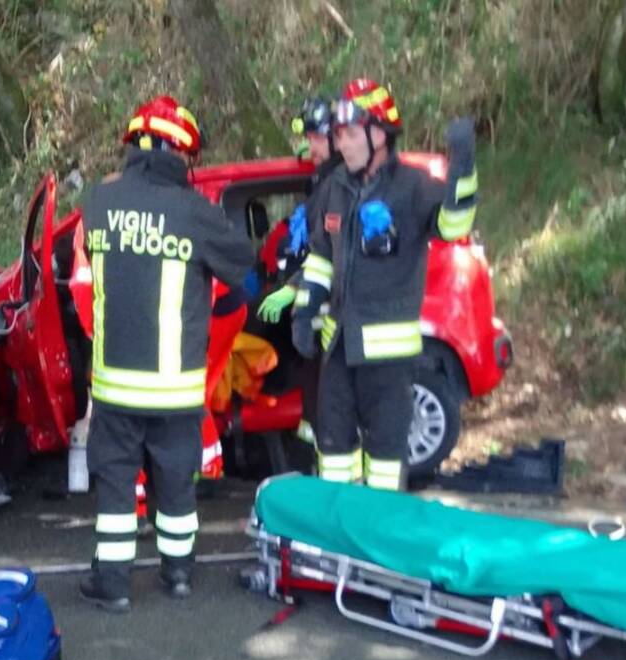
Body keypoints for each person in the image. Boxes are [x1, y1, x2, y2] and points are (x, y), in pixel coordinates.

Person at [75, 95, 255, 611]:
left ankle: (112, 585)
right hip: (176, 390)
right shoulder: (195, 212)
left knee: (114, 484)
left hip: (114, 387)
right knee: (176, 484)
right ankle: (177, 574)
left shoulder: (99, 202)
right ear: (179, 154)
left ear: (134, 144)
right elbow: (242, 267)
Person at [294, 78, 478, 491]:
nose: (342, 145)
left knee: (384, 459)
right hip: (338, 349)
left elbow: (454, 226)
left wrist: (462, 169)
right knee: (333, 450)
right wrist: (306, 311)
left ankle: (377, 543)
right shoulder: (335, 189)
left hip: (388, 361)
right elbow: (322, 257)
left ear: (380, 135)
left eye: (351, 134)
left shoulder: (413, 187)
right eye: (338, 136)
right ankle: (335, 539)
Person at [255, 96, 342, 446]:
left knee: (329, 410)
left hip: (332, 318)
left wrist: (292, 288)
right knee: (318, 404)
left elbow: (332, 252)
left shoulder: (341, 186)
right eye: (309, 138)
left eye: (318, 137)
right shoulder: (325, 182)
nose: (311, 145)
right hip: (317, 315)